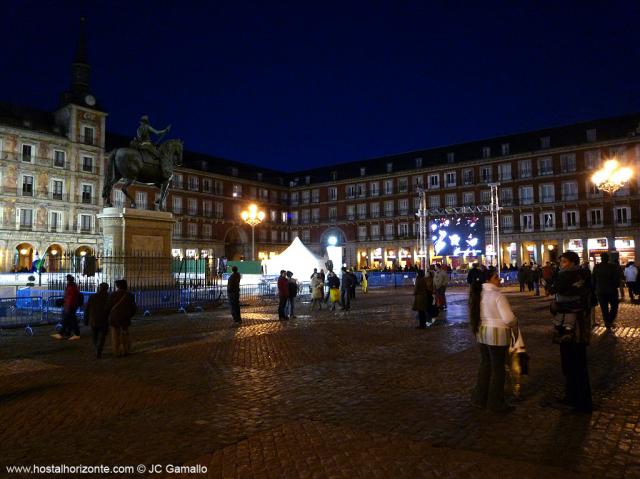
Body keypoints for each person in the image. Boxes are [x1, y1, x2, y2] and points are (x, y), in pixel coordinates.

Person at [546, 251, 593, 413]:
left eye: (564, 262)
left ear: (573, 263)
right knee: (571, 363)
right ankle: (572, 397)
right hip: (575, 326)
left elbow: (554, 290)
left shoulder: (569, 276)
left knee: (574, 364)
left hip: (573, 328)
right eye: (561, 262)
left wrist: (557, 305)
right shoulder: (582, 276)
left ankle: (580, 403)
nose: (561, 265)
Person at [470, 267, 517, 412]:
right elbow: (508, 318)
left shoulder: (479, 294)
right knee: (498, 369)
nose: (500, 279)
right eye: (496, 277)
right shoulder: (497, 295)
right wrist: (515, 322)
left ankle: (480, 398)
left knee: (485, 365)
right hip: (497, 334)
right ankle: (495, 402)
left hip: (482, 332)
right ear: (488, 280)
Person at [107, 280, 137, 357]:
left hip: (114, 318)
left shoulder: (112, 295)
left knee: (115, 335)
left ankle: (116, 351)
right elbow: (133, 308)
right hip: (125, 317)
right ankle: (126, 350)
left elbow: (108, 307)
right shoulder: (130, 295)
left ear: (117, 286)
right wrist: (129, 315)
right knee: (125, 334)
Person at [592, 252, 622, 328]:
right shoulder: (612, 267)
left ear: (601, 258)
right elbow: (617, 278)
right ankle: (610, 320)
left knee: (604, 308)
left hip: (600, 290)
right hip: (611, 290)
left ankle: (607, 321)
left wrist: (595, 288)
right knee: (614, 307)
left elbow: (593, 279)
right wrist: (616, 285)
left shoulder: (597, 267)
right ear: (608, 258)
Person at [52, 274, 83, 340]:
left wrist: (67, 306)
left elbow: (70, 298)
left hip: (70, 306)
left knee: (69, 320)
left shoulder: (71, 287)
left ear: (68, 280)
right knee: (69, 320)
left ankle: (72, 333)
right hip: (71, 305)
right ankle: (66, 333)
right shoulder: (73, 286)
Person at [84, 283, 110, 358]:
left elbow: (87, 308)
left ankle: (96, 347)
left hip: (94, 319)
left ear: (99, 288)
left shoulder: (93, 296)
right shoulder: (109, 297)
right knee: (102, 336)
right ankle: (99, 349)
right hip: (104, 319)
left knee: (94, 335)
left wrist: (86, 319)